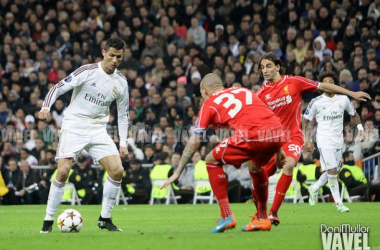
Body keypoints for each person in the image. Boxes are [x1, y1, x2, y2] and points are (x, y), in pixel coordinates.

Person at [254, 52, 370, 225]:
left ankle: (273, 213)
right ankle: (260, 213)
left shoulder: (294, 82)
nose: (265, 70)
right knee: (260, 176)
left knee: (290, 165)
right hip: (271, 141)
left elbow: (326, 87)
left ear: (278, 66)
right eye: (262, 67)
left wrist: (351, 94)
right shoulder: (261, 94)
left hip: (293, 137)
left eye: (268, 66)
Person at [162, 73, 286, 233]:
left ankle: (226, 216)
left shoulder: (210, 104)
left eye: (201, 95)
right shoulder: (243, 91)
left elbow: (194, 141)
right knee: (254, 165)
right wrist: (279, 148)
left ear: (205, 91)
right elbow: (264, 115)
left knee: (211, 160)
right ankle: (262, 218)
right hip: (277, 132)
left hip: (252, 134)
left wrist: (178, 171)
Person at [39, 37, 130, 233]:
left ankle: (105, 218)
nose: (115, 60)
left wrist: (123, 142)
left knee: (117, 170)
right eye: (112, 55)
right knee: (63, 172)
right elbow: (58, 87)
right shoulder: (87, 71)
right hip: (74, 124)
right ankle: (47, 221)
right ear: (104, 52)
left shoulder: (121, 82)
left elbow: (124, 114)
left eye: (119, 57)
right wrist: (46, 107)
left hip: (98, 129)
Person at [303, 71, 365, 212]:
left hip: (338, 141)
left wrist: (360, 129)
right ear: (321, 86)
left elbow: (353, 115)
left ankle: (314, 188)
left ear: (335, 84)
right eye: (326, 82)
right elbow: (305, 120)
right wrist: (307, 139)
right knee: (332, 170)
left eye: (331, 82)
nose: (329, 84)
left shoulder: (342, 99)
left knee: (336, 169)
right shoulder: (316, 102)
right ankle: (338, 203)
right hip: (324, 140)